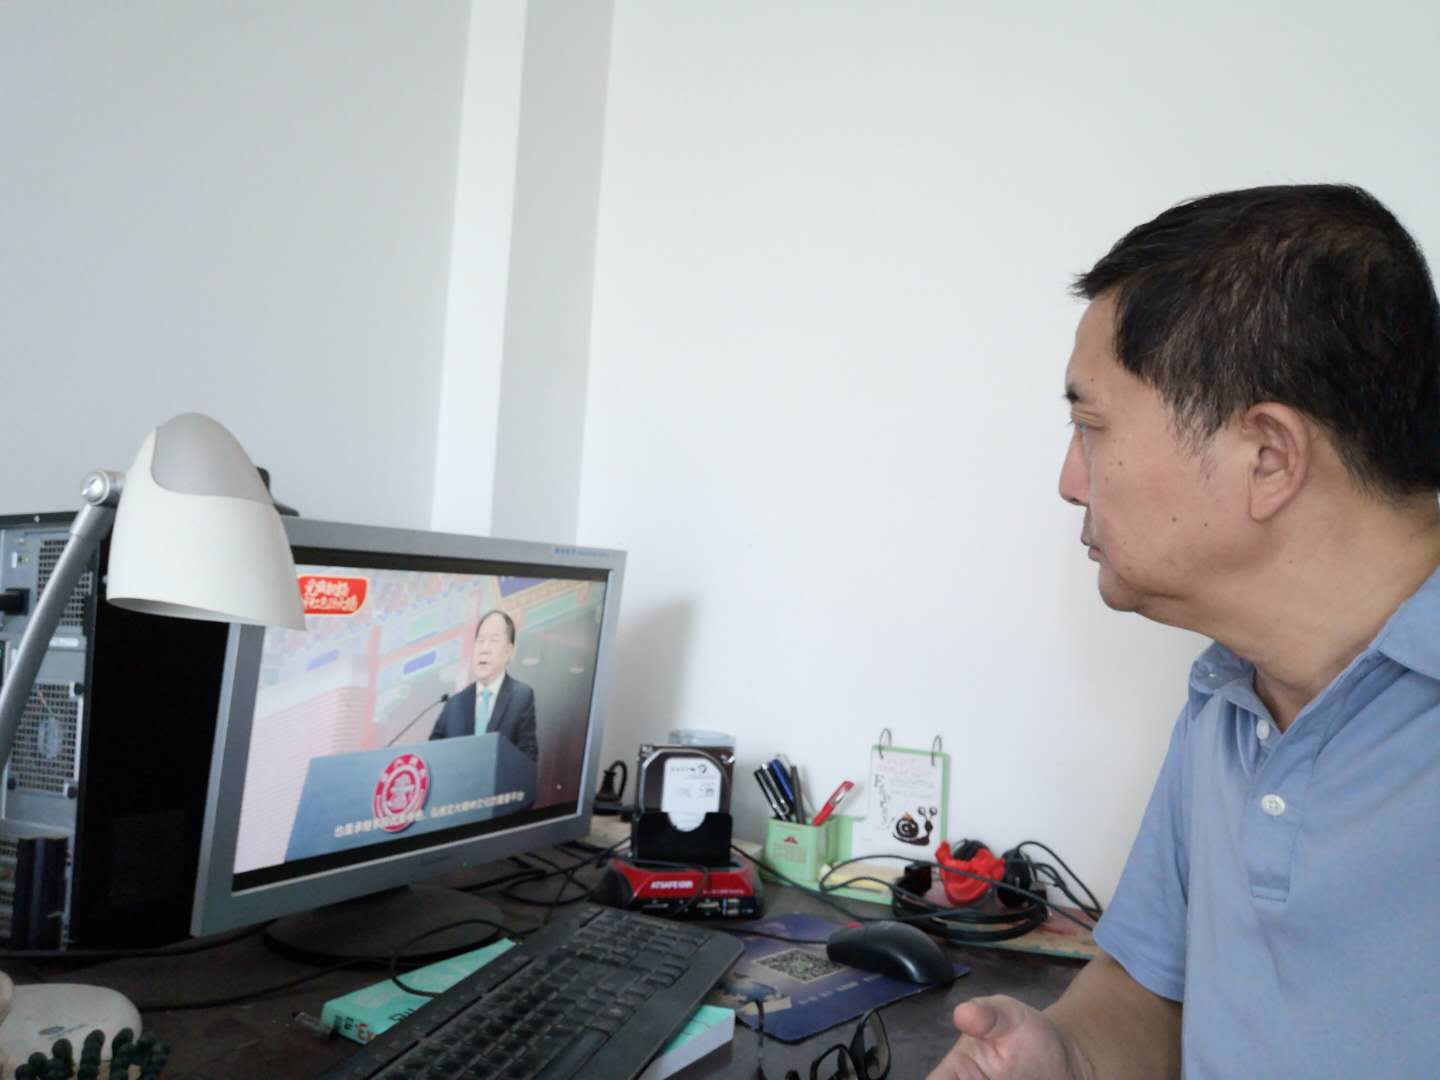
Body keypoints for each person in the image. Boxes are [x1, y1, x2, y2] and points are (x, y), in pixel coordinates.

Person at [928, 184, 1440, 1079]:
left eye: (1091, 425)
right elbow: (1152, 989)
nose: (1070, 481)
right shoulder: (1231, 691)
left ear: (1268, 457)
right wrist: (1066, 1058)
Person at [430, 609, 539, 761]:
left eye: (494, 640)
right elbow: (431, 756)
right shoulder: (454, 704)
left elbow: (527, 757)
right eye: (480, 641)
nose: (484, 649)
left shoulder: (521, 696)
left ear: (509, 652)